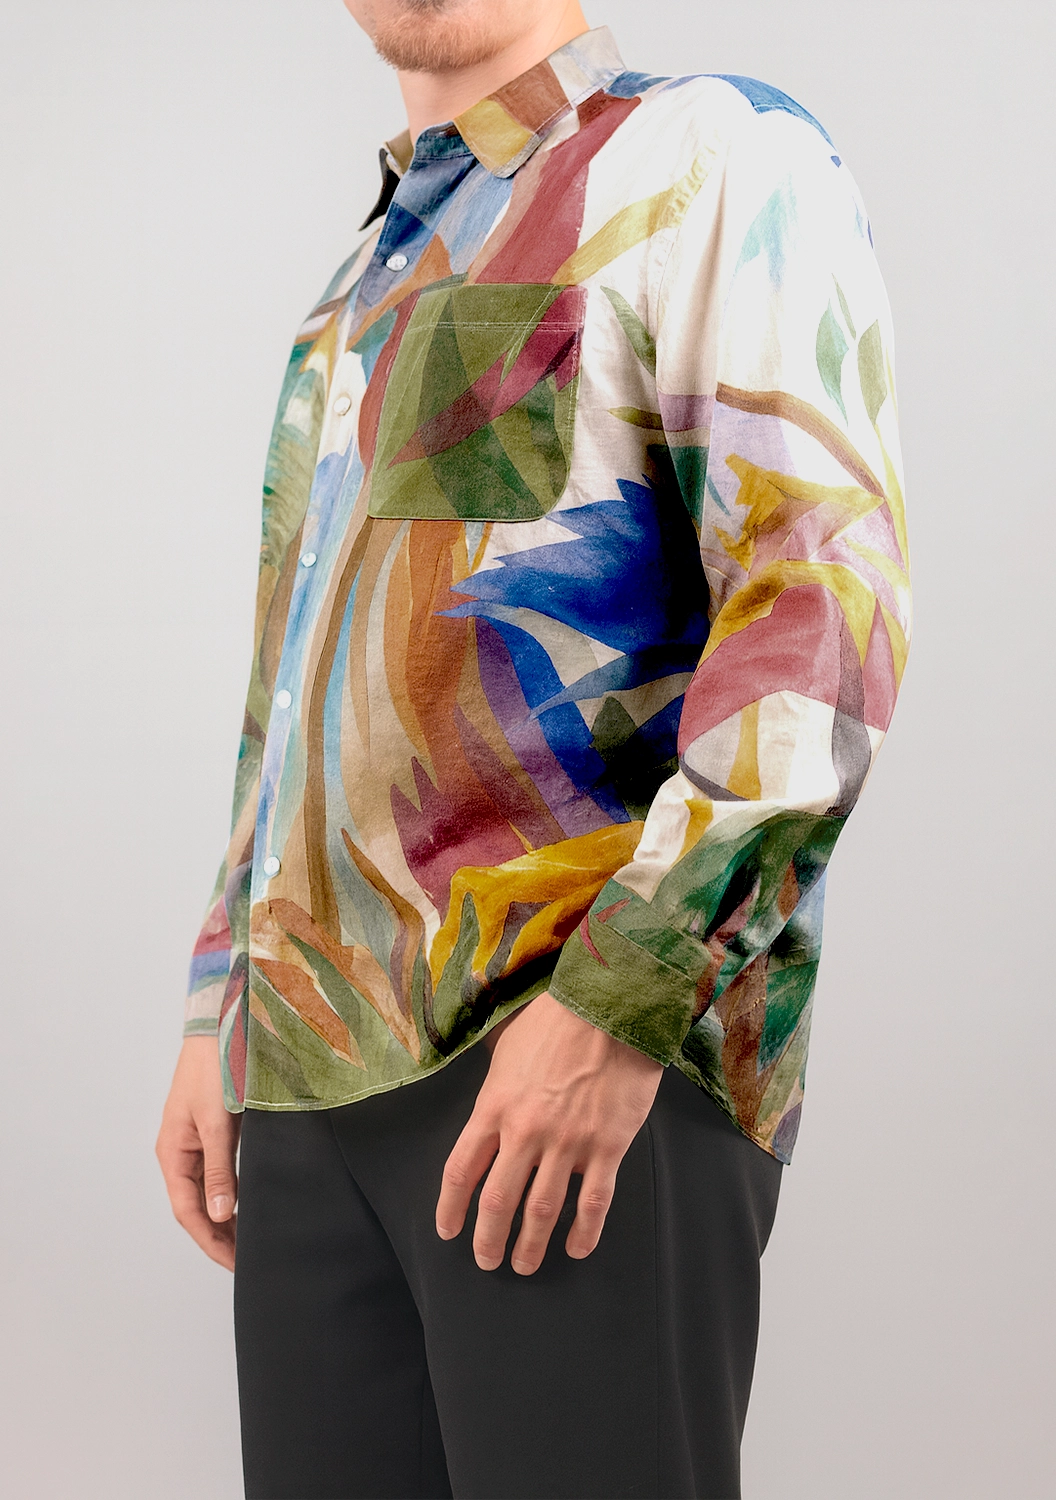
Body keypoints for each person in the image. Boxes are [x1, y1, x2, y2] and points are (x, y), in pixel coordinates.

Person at [157, 2, 910, 1496]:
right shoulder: (357, 289)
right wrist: (216, 1005)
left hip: (565, 1050)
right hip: (307, 1073)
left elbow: (821, 606)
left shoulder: (709, 154)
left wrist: (619, 1011)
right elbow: (294, 681)